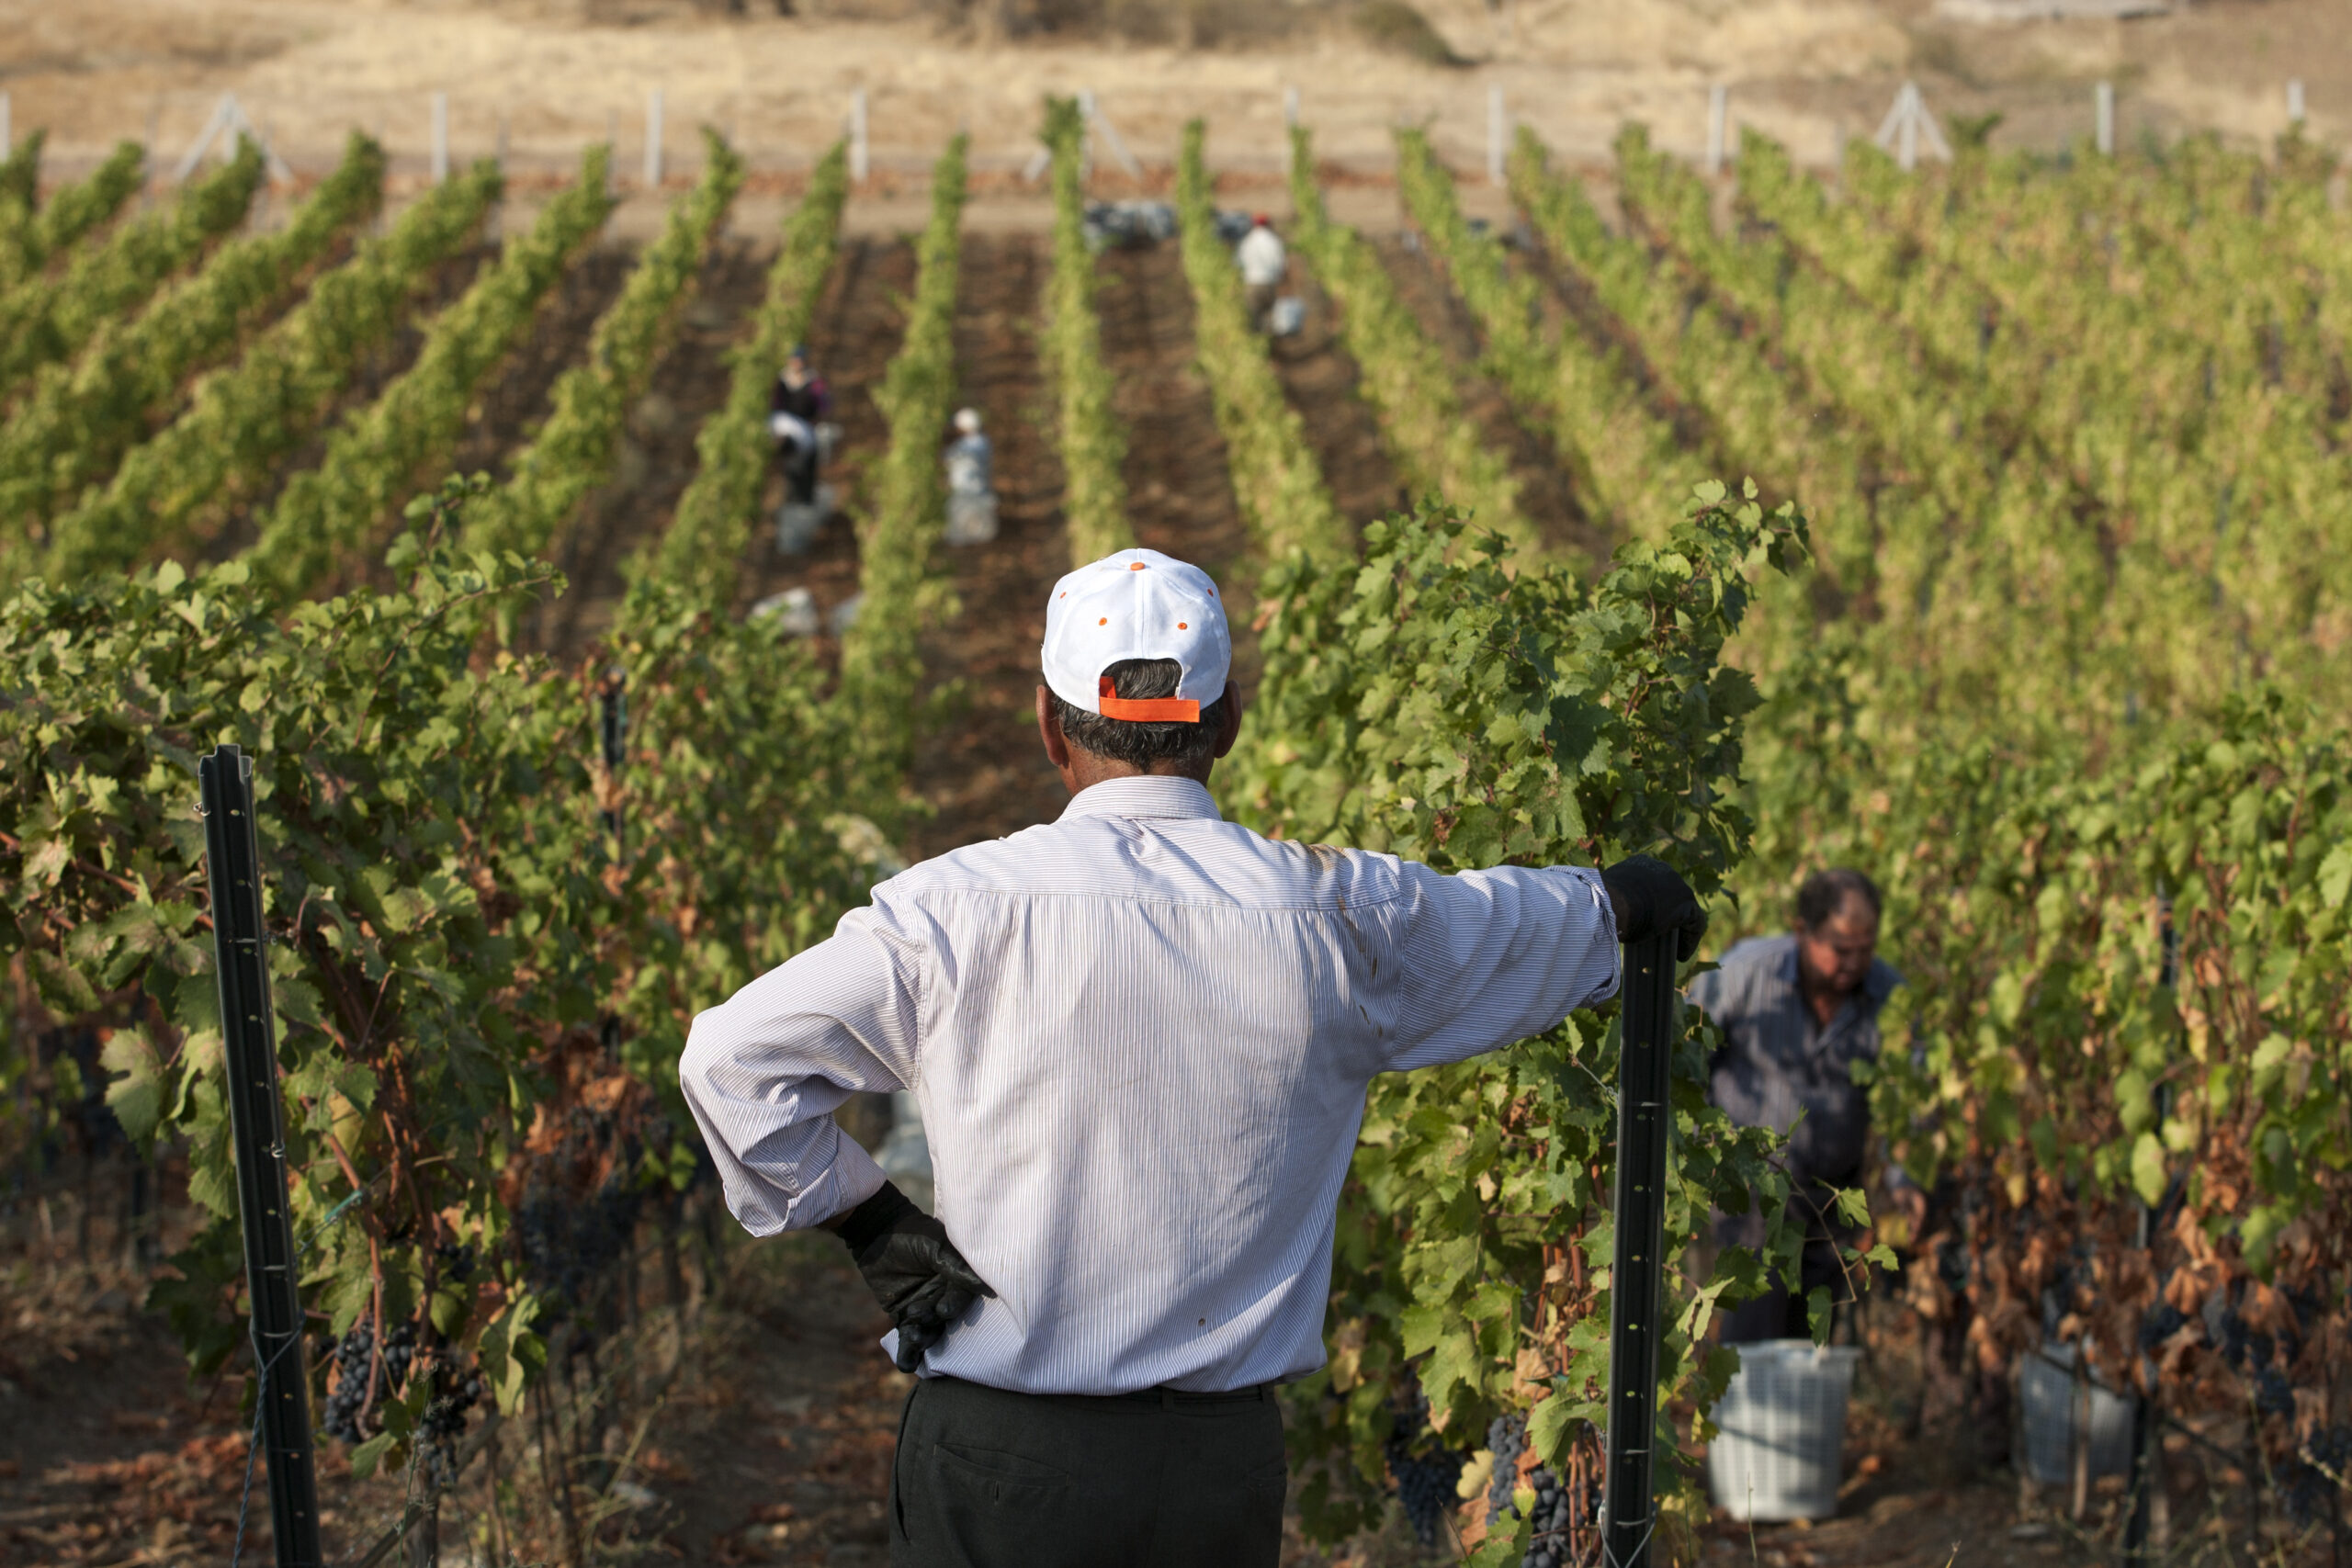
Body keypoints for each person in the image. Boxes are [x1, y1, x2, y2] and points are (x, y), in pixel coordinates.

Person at [678, 547, 1708, 1567]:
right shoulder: (1341, 916)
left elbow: (731, 1064)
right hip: (1214, 1477)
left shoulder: (954, 915)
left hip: (1000, 1462)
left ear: (1048, 723)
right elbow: (1510, 923)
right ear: (1226, 722)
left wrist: (874, 1225)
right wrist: (1614, 904)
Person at [1688, 868, 1919, 1345]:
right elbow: (1687, 1057)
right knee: (1756, 1325)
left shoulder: (1888, 996)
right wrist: (1698, 1147)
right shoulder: (1748, 974)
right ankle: (1749, 1417)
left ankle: (1795, 1418)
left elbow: (1910, 1102)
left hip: (1832, 1201)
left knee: (1810, 1338)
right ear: (1803, 931)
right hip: (1751, 1192)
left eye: (1865, 949)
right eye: (1840, 948)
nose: (1853, 963)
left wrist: (1903, 1181)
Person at [770, 345, 831, 509]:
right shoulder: (783, 380)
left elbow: (823, 405)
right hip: (787, 426)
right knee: (790, 464)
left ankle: (806, 497)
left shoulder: (813, 381)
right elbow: (776, 404)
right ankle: (792, 497)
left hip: (807, 425)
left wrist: (817, 419)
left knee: (808, 461)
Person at [942, 407, 996, 546]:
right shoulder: (982, 442)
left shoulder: (970, 445)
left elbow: (948, 458)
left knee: (968, 527)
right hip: (977, 489)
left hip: (969, 490)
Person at [1236, 212, 1285, 333]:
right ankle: (1268, 343)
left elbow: (1238, 262)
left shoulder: (1247, 241)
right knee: (1269, 317)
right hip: (1269, 282)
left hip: (1251, 283)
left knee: (1253, 317)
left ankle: (1257, 343)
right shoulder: (1274, 241)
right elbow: (1280, 263)